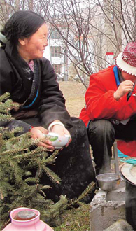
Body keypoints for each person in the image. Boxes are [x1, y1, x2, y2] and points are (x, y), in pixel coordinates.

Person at [0, 10, 96, 202]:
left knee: (76, 128)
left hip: (39, 118)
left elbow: (52, 97)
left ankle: (75, 193)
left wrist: (56, 123)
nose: (46, 42)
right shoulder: (1, 63)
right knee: (27, 143)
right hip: (9, 126)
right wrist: (26, 131)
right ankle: (39, 196)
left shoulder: (42, 65)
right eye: (42, 36)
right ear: (22, 39)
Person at [80, 42, 136, 175]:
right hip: (107, 127)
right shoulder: (100, 79)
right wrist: (115, 96)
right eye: (133, 73)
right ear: (123, 68)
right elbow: (92, 111)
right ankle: (104, 171)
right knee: (101, 127)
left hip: (129, 124)